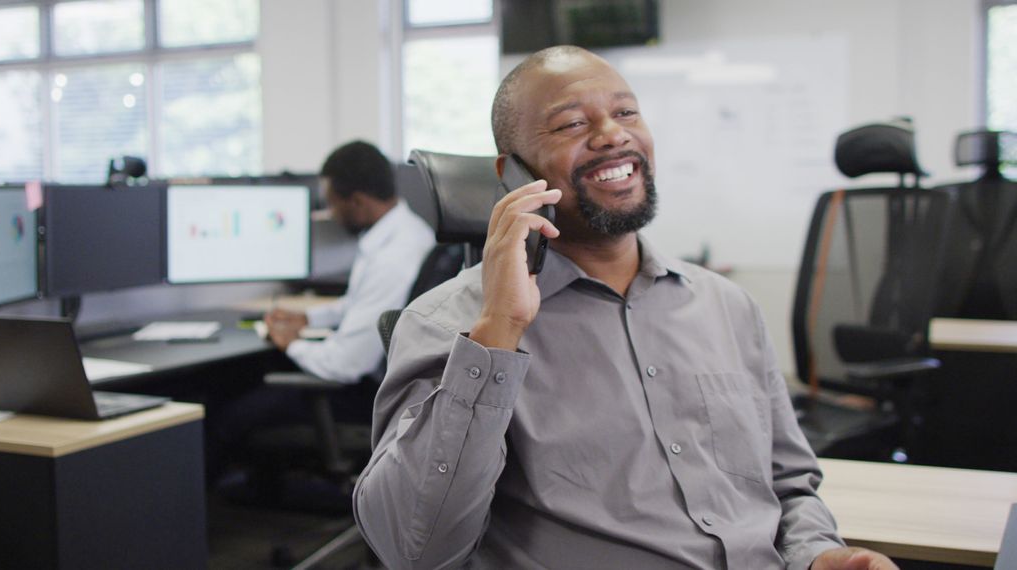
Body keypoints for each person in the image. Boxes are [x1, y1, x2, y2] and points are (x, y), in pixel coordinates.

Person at [352, 47, 897, 570]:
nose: (612, 135)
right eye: (571, 125)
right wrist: (499, 331)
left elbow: (788, 485)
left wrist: (817, 553)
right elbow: (413, 550)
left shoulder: (727, 308)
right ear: (512, 172)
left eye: (626, 112)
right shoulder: (444, 323)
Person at [209, 140, 435, 483]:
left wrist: (291, 343)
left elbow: (346, 364)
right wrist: (309, 319)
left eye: (332, 203)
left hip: (362, 397)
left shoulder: (393, 258)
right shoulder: (404, 233)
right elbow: (361, 304)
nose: (330, 213)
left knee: (225, 416)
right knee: (243, 380)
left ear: (357, 201)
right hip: (380, 382)